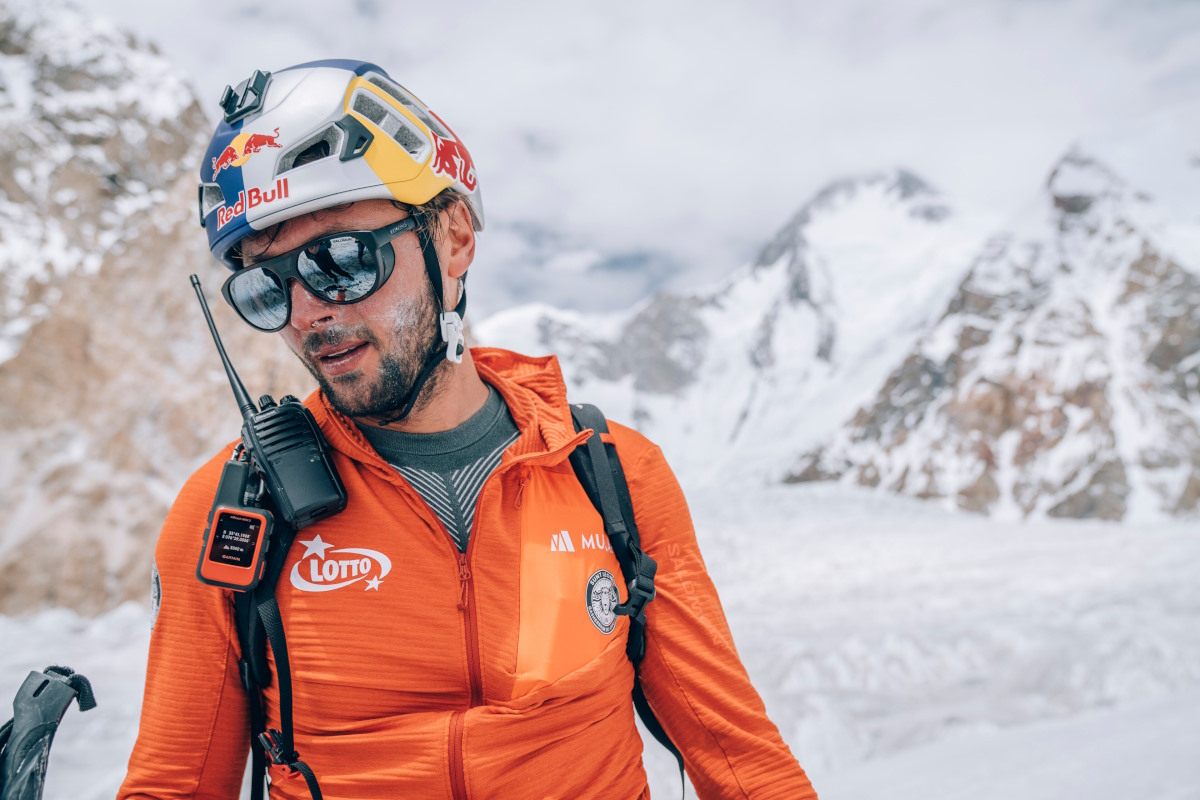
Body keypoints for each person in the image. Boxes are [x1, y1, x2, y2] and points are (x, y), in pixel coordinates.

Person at [119, 59, 817, 800]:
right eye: (266, 285)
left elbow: (745, 767)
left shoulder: (612, 477)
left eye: (340, 260)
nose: (306, 314)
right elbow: (174, 785)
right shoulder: (232, 511)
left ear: (451, 238)